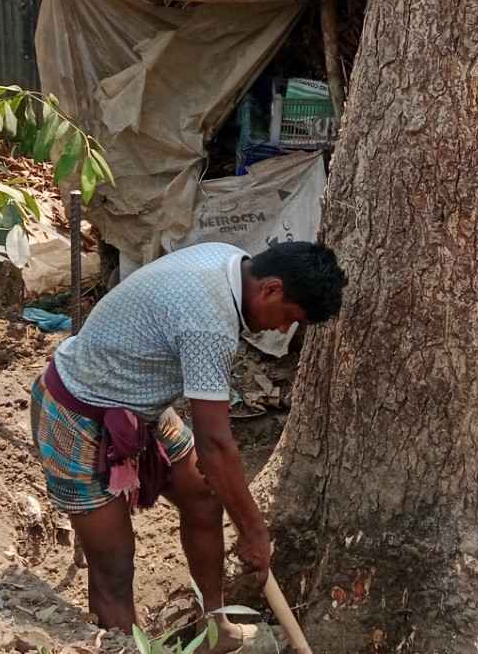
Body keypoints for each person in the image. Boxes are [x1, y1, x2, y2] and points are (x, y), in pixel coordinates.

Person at [29, 240, 346, 650]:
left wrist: (246, 520)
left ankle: (216, 628)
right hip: (75, 413)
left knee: (203, 496)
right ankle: (125, 645)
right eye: (290, 318)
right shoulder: (209, 321)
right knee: (114, 566)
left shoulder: (225, 257)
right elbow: (215, 445)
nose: (284, 330)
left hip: (139, 398)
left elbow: (213, 459)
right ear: (271, 289)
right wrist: (254, 531)